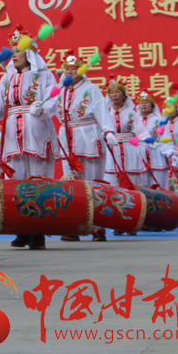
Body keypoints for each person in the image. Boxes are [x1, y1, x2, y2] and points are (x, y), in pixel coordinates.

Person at [0, 25, 59, 250]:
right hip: (12, 135)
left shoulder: (44, 75)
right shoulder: (5, 80)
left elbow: (53, 98)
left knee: (39, 181)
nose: (14, 54)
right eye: (12, 50)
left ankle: (38, 233)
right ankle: (22, 229)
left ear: (29, 53)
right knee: (17, 182)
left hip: (37, 131)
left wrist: (41, 107)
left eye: (18, 50)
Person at [48, 51, 118, 242]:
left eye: (74, 68)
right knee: (71, 184)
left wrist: (108, 131)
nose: (70, 71)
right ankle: (74, 226)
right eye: (67, 69)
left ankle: (98, 227)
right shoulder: (60, 90)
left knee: (93, 182)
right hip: (68, 138)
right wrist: (38, 108)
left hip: (88, 135)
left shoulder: (91, 89)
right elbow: (49, 107)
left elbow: (102, 112)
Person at [103, 76, 149, 189]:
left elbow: (141, 131)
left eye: (117, 92)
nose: (114, 95)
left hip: (130, 148)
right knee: (112, 178)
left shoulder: (131, 113)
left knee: (131, 176)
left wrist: (145, 143)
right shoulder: (106, 113)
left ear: (124, 95)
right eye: (112, 92)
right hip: (112, 148)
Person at [134, 90, 169, 189]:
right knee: (142, 186)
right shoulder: (135, 120)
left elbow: (165, 138)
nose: (143, 105)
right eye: (141, 102)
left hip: (157, 155)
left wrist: (170, 152)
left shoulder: (159, 120)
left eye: (146, 102)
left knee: (159, 184)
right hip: (139, 155)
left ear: (152, 105)